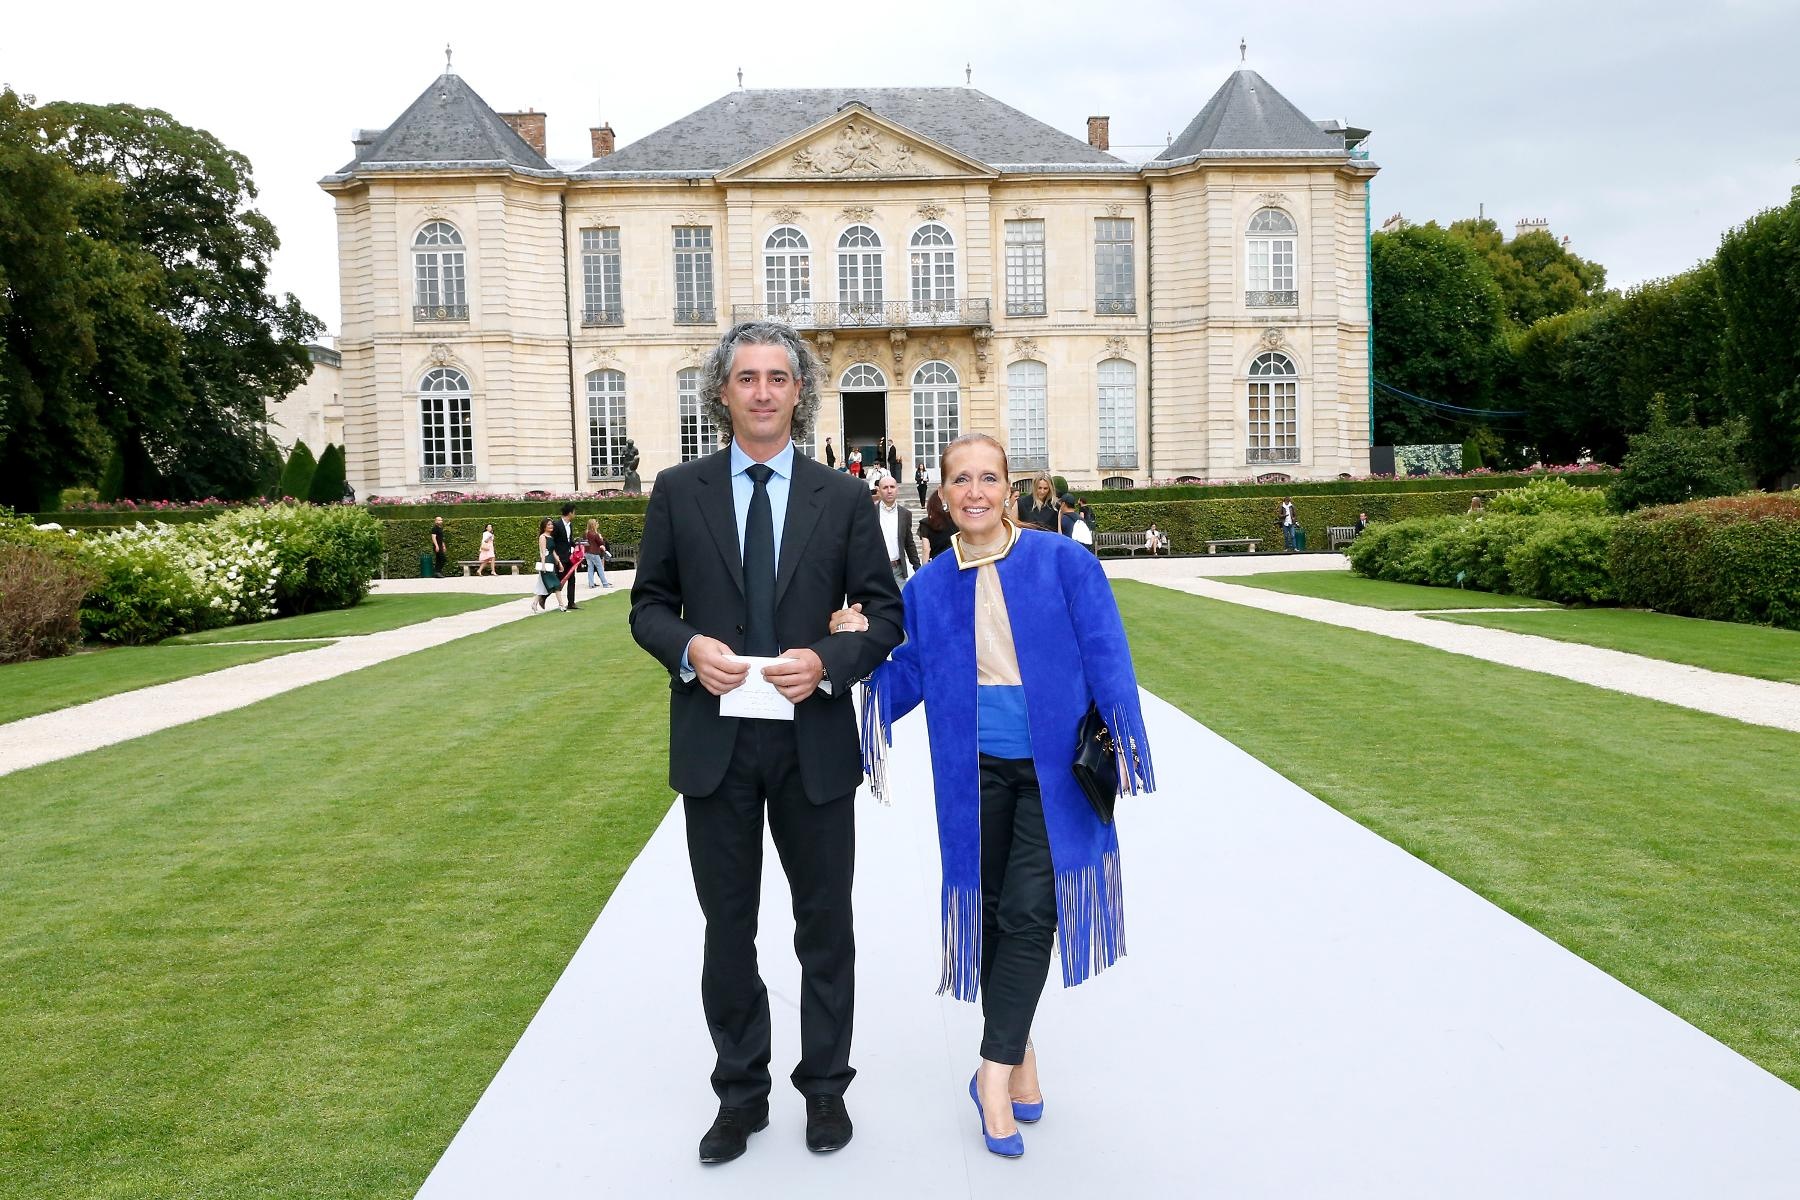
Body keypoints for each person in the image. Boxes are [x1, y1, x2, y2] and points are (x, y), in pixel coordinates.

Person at [629, 320, 904, 1165]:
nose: (761, 391)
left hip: (812, 742)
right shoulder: (679, 490)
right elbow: (648, 607)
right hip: (715, 746)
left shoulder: (842, 498)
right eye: (746, 377)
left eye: (777, 378)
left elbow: (885, 614)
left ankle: (824, 1090)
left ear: (799, 392)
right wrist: (688, 648)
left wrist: (827, 661)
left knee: (824, 926)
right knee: (728, 929)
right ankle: (740, 1095)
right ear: (722, 392)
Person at [845, 432, 1155, 1159]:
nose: (976, 491)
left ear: (1010, 492)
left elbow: (1107, 653)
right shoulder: (928, 588)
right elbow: (908, 676)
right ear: (943, 496)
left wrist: (1126, 744)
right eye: (962, 480)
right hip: (973, 773)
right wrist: (854, 648)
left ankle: (990, 1075)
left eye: (989, 478)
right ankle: (1020, 1054)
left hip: (1055, 773)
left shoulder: (1064, 562)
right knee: (987, 915)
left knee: (1030, 913)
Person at [873, 470, 921, 589]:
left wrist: (918, 568)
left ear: (897, 489)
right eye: (885, 487)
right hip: (877, 571)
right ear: (879, 490)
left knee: (903, 600)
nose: (889, 490)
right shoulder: (870, 512)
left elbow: (909, 543)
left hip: (898, 570)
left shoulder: (905, 514)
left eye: (892, 487)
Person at [531, 518, 563, 612]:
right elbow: (543, 552)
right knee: (556, 584)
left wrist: (559, 563)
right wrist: (543, 565)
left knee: (541, 585)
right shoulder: (543, 537)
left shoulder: (551, 537)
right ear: (544, 527)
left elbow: (553, 551)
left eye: (551, 524)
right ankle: (561, 604)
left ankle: (534, 603)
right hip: (546, 562)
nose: (551, 526)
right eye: (548, 525)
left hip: (551, 562)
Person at [552, 503, 580, 610]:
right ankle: (542, 597)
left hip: (569, 557)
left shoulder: (570, 525)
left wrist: (576, 545)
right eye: (574, 512)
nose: (575, 514)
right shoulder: (557, 525)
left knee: (572, 579)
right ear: (570, 513)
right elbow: (553, 542)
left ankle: (571, 602)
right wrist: (556, 557)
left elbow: (569, 541)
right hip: (560, 557)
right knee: (559, 580)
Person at [918, 489, 955, 562]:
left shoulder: (926, 523)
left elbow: (926, 549)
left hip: (937, 562)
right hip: (954, 561)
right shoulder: (956, 520)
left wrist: (925, 567)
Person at [584, 519, 613, 589]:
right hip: (594, 553)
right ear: (594, 525)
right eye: (596, 524)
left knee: (590, 568)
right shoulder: (595, 534)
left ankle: (591, 584)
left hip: (587, 553)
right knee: (600, 568)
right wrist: (601, 538)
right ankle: (605, 584)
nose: (598, 525)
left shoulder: (586, 534)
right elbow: (601, 543)